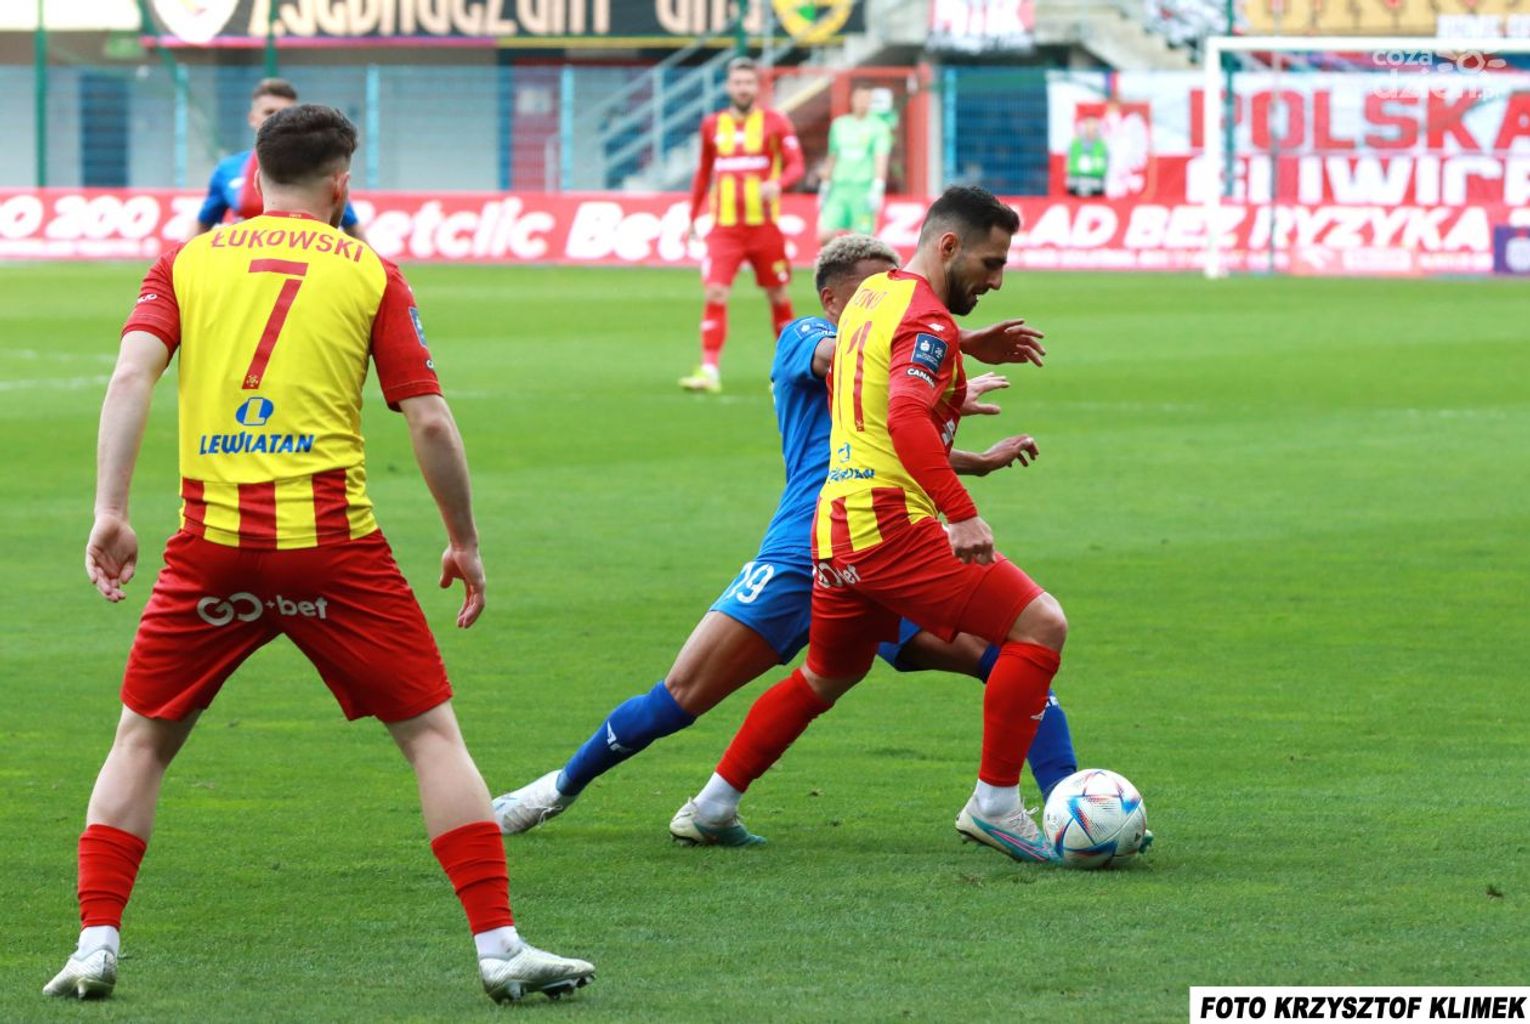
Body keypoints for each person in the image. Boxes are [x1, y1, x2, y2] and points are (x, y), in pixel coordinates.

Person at [44, 105, 592, 1005]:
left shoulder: (185, 261)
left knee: (141, 740)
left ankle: (94, 945)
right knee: (429, 736)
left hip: (211, 549)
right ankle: (499, 948)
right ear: (342, 183)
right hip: (333, 552)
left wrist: (110, 511)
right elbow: (428, 420)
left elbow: (131, 376)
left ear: (254, 178)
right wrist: (463, 540)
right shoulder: (370, 270)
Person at [493, 234, 1075, 845]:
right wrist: (950, 350)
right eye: (872, 288)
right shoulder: (805, 337)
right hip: (800, 554)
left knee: (1004, 652)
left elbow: (887, 443)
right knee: (680, 697)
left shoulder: (895, 354)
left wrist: (963, 437)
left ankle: (1068, 803)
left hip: (883, 542)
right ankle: (555, 789)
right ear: (832, 299)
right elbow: (851, 363)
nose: (889, 296)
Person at [676, 186, 1095, 865]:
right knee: (1041, 624)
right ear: (948, 245)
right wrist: (962, 513)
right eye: (990, 264)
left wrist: (962, 355)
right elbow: (903, 415)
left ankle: (713, 805)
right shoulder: (926, 321)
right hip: (890, 525)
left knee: (826, 675)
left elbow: (880, 377)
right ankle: (994, 805)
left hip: (835, 527)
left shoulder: (873, 296)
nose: (996, 281)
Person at [680, 57, 804, 395]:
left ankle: (789, 369)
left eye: (748, 83)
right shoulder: (712, 125)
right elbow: (703, 173)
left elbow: (796, 165)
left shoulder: (775, 122)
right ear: (728, 86)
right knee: (715, 292)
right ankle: (709, 369)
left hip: (764, 227)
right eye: (737, 83)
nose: (743, 88)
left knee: (777, 294)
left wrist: (778, 183)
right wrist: (692, 217)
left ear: (758, 86)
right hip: (725, 228)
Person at [195, 78, 365, 241]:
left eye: (285, 113)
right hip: (245, 259)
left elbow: (352, 226)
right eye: (269, 112)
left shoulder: (315, 168)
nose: (276, 119)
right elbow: (202, 225)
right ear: (252, 118)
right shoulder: (227, 169)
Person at [817, 84, 893, 243]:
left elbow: (880, 158)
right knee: (824, 235)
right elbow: (833, 156)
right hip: (838, 188)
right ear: (852, 99)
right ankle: (834, 259)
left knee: (862, 240)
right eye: (859, 98)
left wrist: (877, 188)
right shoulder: (839, 125)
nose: (862, 102)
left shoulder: (879, 127)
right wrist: (824, 185)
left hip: (863, 189)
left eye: (866, 99)